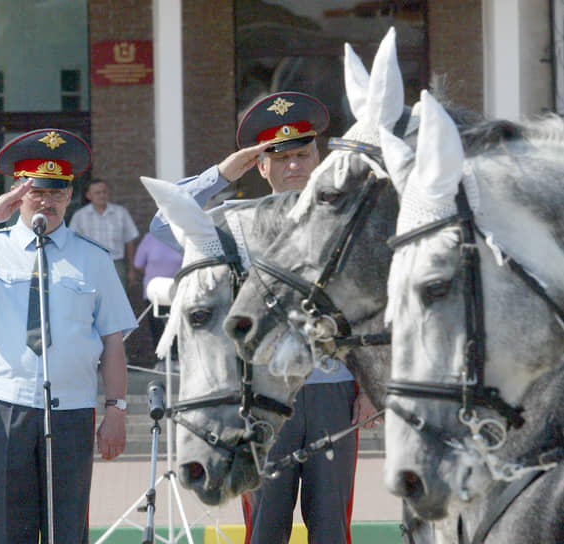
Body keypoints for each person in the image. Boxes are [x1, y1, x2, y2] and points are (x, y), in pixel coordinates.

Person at [150, 92, 379, 544]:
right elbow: (164, 222)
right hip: (262, 400)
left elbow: (367, 310)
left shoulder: (342, 220)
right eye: (282, 157)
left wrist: (370, 388)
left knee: (332, 527)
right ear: (261, 165)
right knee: (265, 528)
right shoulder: (236, 224)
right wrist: (222, 173)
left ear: (317, 158)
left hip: (332, 390)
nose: (294, 165)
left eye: (303, 154)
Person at [0, 128, 138, 544]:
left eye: (57, 192)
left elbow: (113, 339)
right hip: (6, 407)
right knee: (8, 528)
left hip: (73, 408)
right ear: (18, 193)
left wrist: (116, 410)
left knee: (67, 528)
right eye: (37, 191)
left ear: (70, 194)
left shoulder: (92, 258)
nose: (48, 202)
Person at [69, 178, 140, 290]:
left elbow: (130, 241)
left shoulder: (121, 213)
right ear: (89, 195)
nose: (102, 195)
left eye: (104, 192)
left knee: (118, 300)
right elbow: (72, 243)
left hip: (116, 264)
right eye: (98, 193)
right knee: (92, 301)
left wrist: (131, 269)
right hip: (90, 266)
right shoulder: (79, 216)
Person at [133, 231, 183, 365]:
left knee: (178, 328)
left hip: (178, 292)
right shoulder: (149, 238)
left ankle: (178, 360)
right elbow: (139, 264)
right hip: (154, 292)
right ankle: (160, 361)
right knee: (157, 327)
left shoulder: (182, 237)